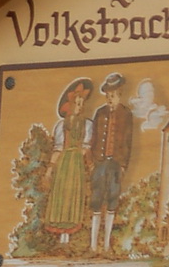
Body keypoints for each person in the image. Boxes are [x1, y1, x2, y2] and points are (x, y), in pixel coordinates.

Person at [88, 72, 134, 255]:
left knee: (112, 200)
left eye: (112, 95)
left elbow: (128, 142)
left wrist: (123, 166)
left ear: (119, 93)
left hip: (116, 165)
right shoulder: (100, 113)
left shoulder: (126, 114)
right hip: (99, 163)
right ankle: (92, 246)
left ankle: (106, 246)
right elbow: (93, 138)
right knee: (96, 201)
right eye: (107, 95)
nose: (109, 98)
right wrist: (91, 162)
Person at [44, 78, 94, 244]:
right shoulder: (61, 126)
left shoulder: (87, 125)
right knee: (61, 197)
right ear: (70, 105)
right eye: (77, 103)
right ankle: (60, 240)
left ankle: (69, 239)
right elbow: (58, 149)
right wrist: (50, 170)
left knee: (73, 197)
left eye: (82, 103)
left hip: (76, 164)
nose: (80, 106)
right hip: (64, 163)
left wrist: (91, 165)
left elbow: (86, 148)